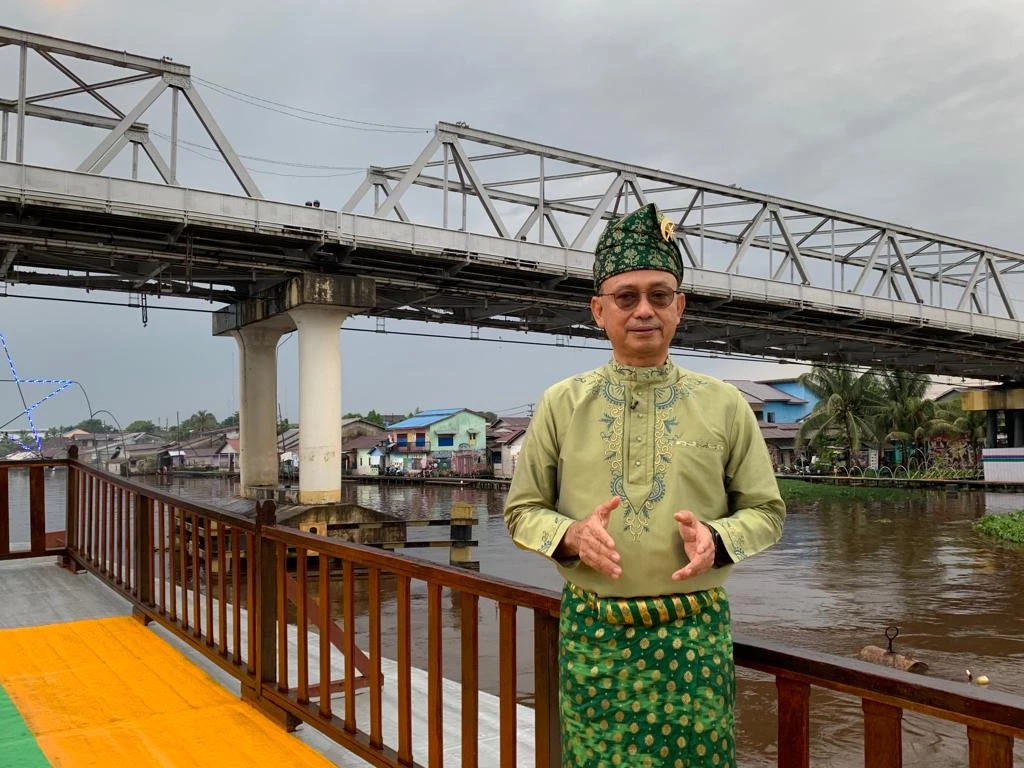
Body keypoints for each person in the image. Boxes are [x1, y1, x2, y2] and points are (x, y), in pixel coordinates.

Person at [504, 203, 785, 767]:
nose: (643, 311)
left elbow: (767, 512)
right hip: (595, 635)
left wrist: (717, 539)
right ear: (598, 310)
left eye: (659, 295)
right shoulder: (561, 403)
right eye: (626, 297)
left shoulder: (725, 404)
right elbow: (522, 511)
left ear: (680, 306)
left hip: (694, 640)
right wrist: (572, 535)